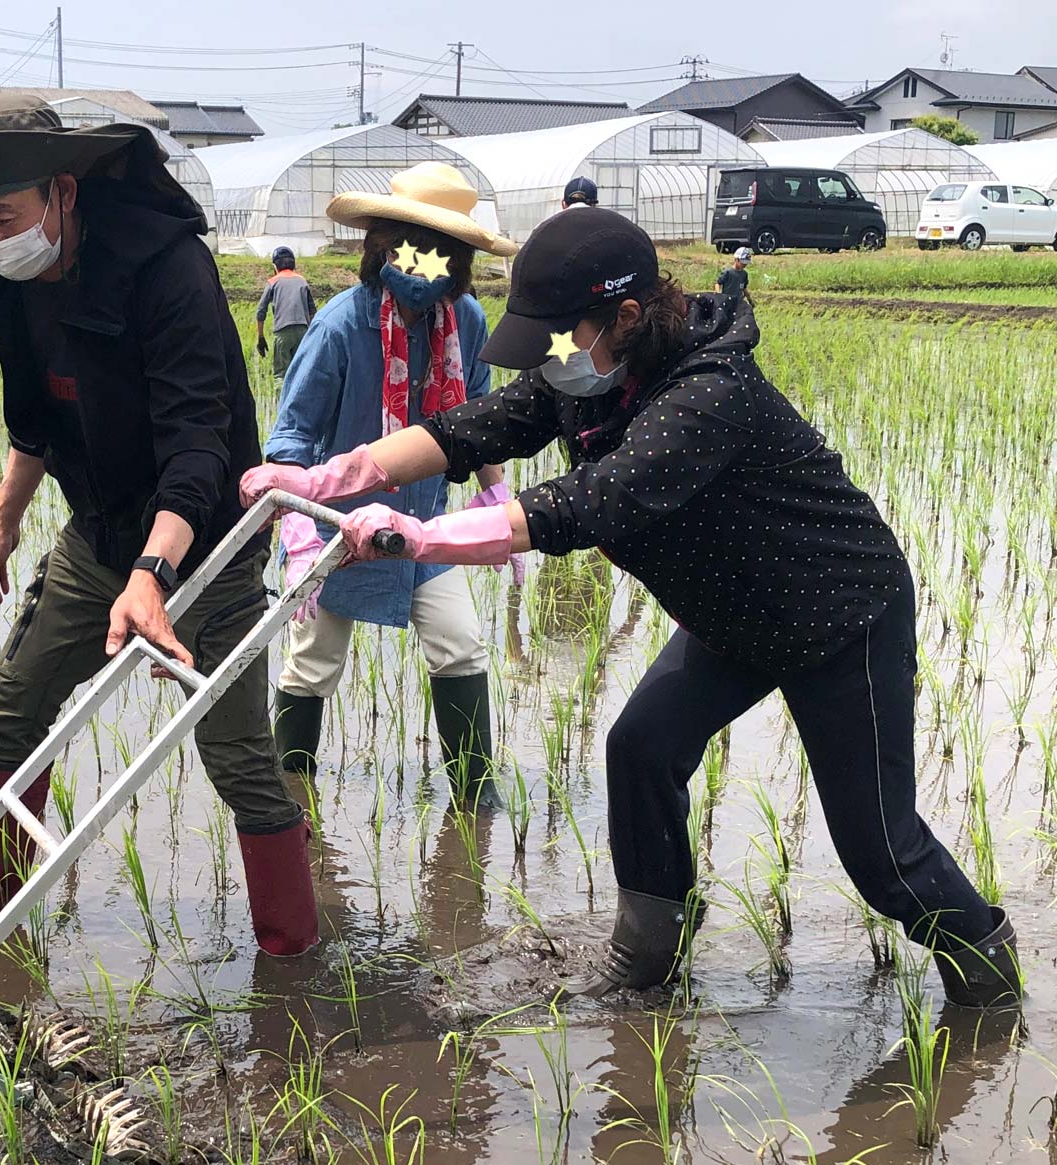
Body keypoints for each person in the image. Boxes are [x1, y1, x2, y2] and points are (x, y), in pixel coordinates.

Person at [241, 208, 1021, 1007]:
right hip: (732, 613)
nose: (550, 355)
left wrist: (417, 536)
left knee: (880, 851)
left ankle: (989, 978)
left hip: (835, 615)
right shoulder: (590, 373)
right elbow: (466, 430)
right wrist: (324, 480)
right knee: (642, 749)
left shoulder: (708, 394)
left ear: (626, 315)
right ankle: (646, 956)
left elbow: (585, 504)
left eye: (562, 332)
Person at [0, 92, 317, 957]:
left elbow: (199, 447)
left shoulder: (168, 269)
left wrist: (154, 578)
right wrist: (3, 524)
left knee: (239, 762)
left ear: (64, 194)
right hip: (100, 533)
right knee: (14, 704)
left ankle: (293, 950)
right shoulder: (1, 276)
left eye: (5, 213)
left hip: (209, 544)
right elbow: (35, 414)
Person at [241, 162, 520, 798]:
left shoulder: (467, 322)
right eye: (406, 246)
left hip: (420, 524)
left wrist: (494, 494)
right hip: (336, 526)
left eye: (440, 253)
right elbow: (290, 439)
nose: (421, 265)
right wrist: (300, 538)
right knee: (314, 663)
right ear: (379, 245)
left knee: (461, 645)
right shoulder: (341, 324)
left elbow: (479, 420)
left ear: (458, 260)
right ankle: (291, 799)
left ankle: (475, 800)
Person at [255, 246, 315, 378]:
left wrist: (260, 337)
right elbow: (312, 312)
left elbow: (261, 311)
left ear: (275, 266)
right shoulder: (302, 281)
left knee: (281, 375)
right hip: (303, 331)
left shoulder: (272, 282)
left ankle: (281, 399)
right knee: (301, 373)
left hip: (283, 332)